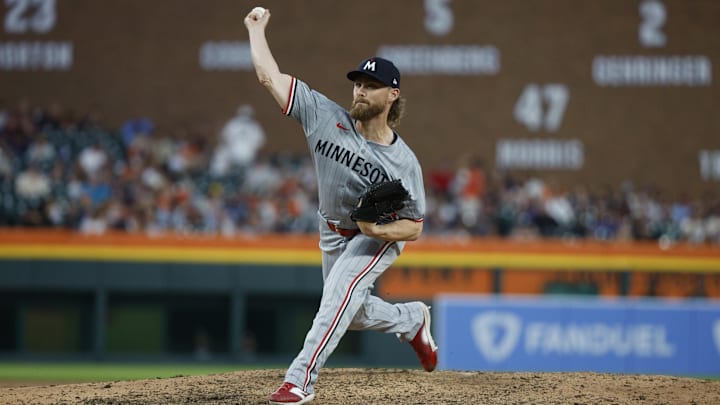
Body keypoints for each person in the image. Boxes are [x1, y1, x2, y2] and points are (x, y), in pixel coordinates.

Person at [245, 7, 438, 405]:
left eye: (372, 84)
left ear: (392, 95)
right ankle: (413, 319)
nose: (361, 90)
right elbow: (269, 76)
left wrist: (378, 232)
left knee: (336, 298)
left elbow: (414, 226)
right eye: (358, 83)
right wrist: (255, 30)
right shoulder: (323, 116)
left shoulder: (404, 163)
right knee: (354, 314)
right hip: (330, 230)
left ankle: (299, 381)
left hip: (373, 236)